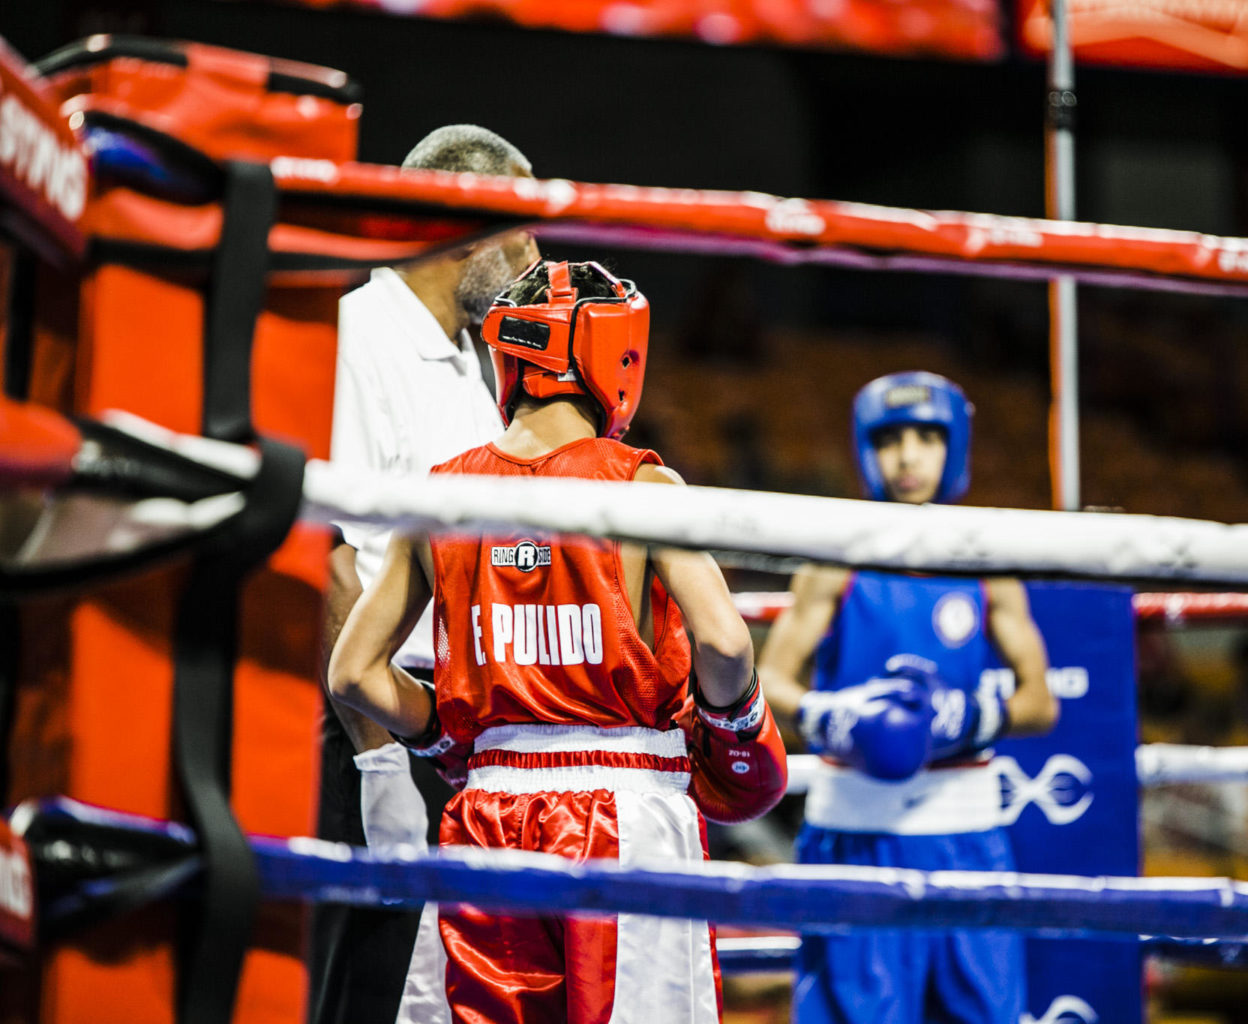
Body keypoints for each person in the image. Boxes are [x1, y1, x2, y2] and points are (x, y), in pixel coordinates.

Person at [327, 259, 789, 1023]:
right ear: (616, 361)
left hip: (488, 811)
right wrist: (736, 729)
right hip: (625, 810)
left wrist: (449, 734)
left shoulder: (438, 498)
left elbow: (354, 675)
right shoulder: (640, 488)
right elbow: (727, 643)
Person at [315, 124, 539, 1024]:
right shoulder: (357, 335)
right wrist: (377, 763)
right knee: (358, 983)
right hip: (364, 721)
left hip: (444, 725)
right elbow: (328, 556)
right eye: (523, 226)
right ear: (467, 220)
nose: (537, 251)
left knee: (432, 993)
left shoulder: (469, 361)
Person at [758, 370, 1058, 1024]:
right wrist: (828, 714)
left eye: (927, 437)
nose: (909, 455)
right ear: (869, 449)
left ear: (955, 450)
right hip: (855, 834)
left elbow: (1042, 702)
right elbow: (772, 679)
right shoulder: (835, 558)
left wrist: (971, 714)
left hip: (966, 837)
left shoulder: (985, 561)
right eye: (892, 438)